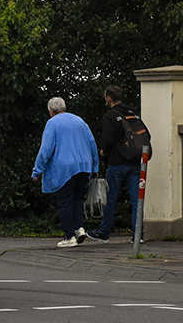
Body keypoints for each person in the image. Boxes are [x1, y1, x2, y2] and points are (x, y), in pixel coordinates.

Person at [31, 96, 99, 248]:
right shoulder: (79, 121)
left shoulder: (52, 123)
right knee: (76, 199)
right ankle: (79, 228)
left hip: (64, 169)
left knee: (64, 202)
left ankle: (70, 237)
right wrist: (94, 167)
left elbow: (46, 150)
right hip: (83, 167)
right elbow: (92, 143)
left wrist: (37, 170)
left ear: (50, 111)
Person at [90, 86, 141, 242]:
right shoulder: (133, 113)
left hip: (117, 162)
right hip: (135, 161)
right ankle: (138, 235)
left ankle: (104, 232)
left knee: (110, 198)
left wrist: (104, 152)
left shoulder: (111, 116)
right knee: (136, 200)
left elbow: (108, 140)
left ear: (109, 98)